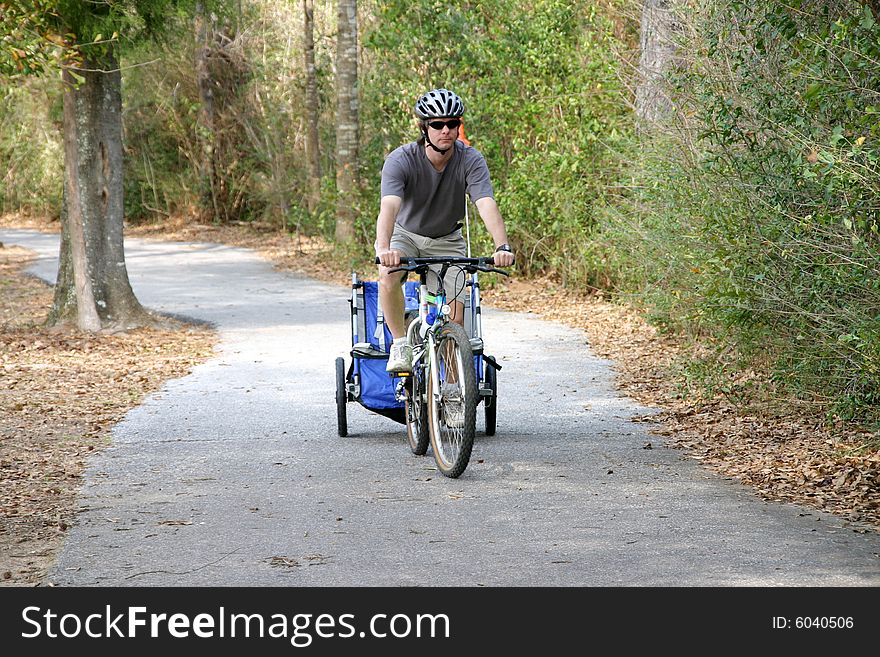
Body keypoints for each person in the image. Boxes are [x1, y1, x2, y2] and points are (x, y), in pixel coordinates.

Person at [375, 88, 515, 374]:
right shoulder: (401, 160)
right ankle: (400, 342)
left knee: (455, 319)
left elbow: (485, 203)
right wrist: (383, 248)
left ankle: (454, 391)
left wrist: (502, 246)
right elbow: (389, 207)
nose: (446, 130)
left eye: (453, 124)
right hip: (406, 235)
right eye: (438, 124)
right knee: (387, 274)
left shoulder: (470, 160)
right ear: (424, 128)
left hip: (448, 240)